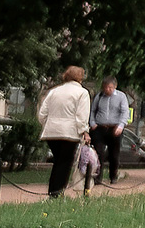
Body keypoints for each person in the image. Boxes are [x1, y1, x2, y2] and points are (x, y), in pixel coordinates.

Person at [37, 66, 91, 198]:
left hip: (51, 132)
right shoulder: (82, 93)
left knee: (57, 162)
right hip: (69, 133)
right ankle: (57, 192)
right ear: (80, 77)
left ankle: (52, 191)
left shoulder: (54, 91)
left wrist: (47, 124)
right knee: (65, 163)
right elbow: (81, 115)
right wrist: (84, 131)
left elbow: (42, 113)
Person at [89, 76, 130, 183]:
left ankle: (113, 176)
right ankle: (98, 177)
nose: (108, 90)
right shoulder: (99, 96)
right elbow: (92, 111)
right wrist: (92, 123)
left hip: (114, 128)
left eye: (110, 88)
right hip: (100, 127)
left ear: (115, 86)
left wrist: (121, 125)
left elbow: (125, 112)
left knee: (114, 154)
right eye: (106, 88)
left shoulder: (121, 96)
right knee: (98, 153)